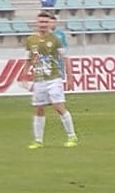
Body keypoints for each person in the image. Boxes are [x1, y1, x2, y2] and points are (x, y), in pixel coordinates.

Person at [24, 11, 77, 149]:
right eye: (41, 22)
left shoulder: (55, 39)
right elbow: (29, 60)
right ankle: (38, 140)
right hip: (39, 79)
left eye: (45, 22)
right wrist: (24, 75)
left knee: (58, 107)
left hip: (54, 78)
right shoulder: (30, 40)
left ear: (49, 24)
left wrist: (70, 77)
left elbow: (65, 58)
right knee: (38, 109)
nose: (43, 25)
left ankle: (72, 136)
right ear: (36, 23)